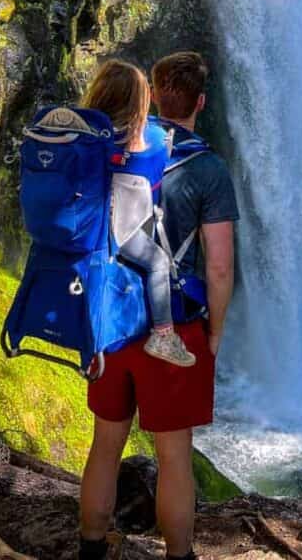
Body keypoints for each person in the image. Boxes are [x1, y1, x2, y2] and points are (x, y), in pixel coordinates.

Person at [78, 51, 239, 560]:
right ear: (201, 102)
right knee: (174, 457)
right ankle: (180, 555)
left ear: (152, 93)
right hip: (173, 332)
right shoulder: (209, 169)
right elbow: (218, 266)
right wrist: (215, 330)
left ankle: (90, 547)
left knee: (106, 444)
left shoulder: (112, 150)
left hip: (109, 321)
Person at [82, 59, 195, 368]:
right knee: (158, 261)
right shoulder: (148, 138)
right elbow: (157, 170)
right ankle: (163, 334)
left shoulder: (84, 132)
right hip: (116, 229)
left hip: (80, 223)